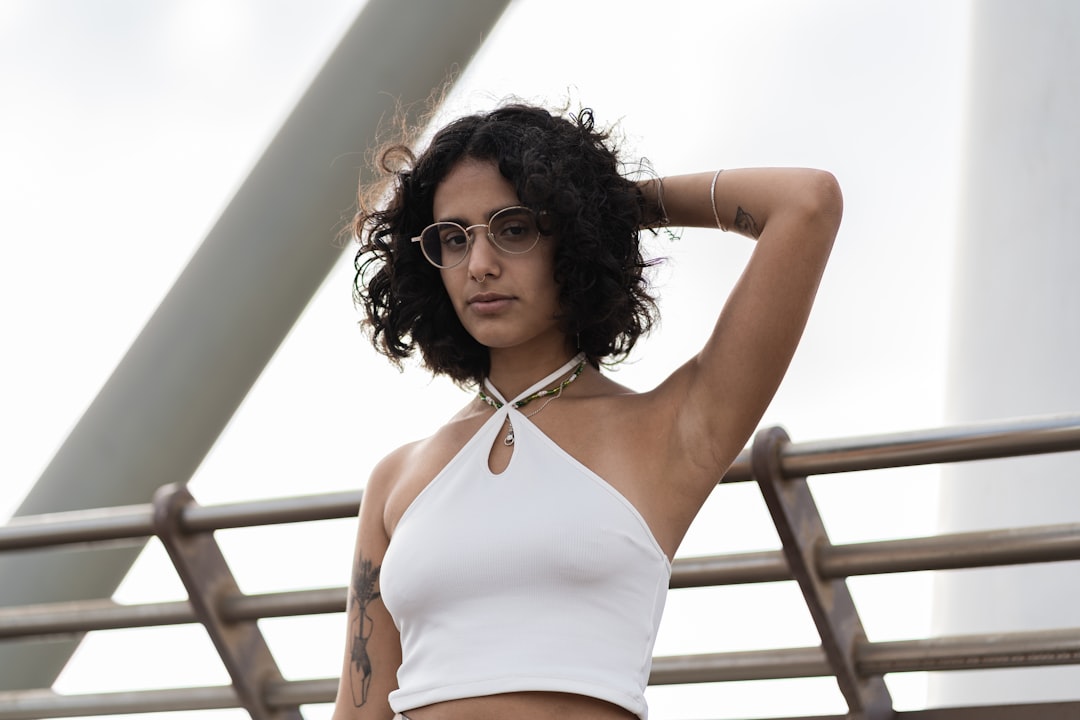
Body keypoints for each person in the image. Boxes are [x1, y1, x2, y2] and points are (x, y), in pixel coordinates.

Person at [332, 102, 842, 720]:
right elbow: (358, 710)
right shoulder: (396, 478)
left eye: (513, 227)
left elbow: (806, 203)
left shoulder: (673, 430)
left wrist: (612, 206)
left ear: (571, 240)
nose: (481, 264)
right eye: (454, 237)